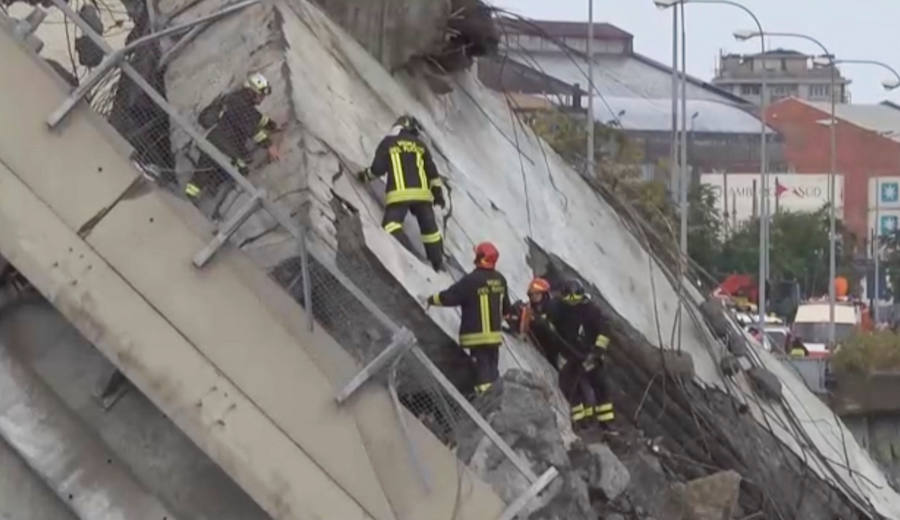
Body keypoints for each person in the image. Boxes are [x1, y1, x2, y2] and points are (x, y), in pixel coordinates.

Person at [359, 115, 445, 271]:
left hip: (400, 195)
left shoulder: (388, 143)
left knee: (391, 226)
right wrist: (438, 196)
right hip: (422, 196)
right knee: (430, 231)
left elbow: (377, 169)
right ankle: (438, 263)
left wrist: (364, 176)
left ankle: (408, 254)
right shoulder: (420, 145)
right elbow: (432, 173)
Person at [426, 242, 510, 395]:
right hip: (494, 336)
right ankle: (497, 398)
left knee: (481, 374)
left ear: (480, 258)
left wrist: (431, 299)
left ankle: (485, 401)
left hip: (476, 336)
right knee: (492, 370)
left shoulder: (472, 280)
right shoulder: (500, 280)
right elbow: (506, 308)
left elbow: (450, 297)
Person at [185, 72, 280, 200]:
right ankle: (193, 197)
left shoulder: (239, 101)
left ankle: (190, 196)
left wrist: (272, 125)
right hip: (223, 144)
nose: (262, 98)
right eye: (261, 95)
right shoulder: (240, 104)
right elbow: (251, 128)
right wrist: (270, 145)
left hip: (215, 140)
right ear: (252, 92)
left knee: (202, 173)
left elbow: (256, 118)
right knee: (240, 168)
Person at [550, 279, 615, 430]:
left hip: (591, 356)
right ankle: (580, 423)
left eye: (575, 297)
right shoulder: (560, 308)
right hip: (572, 355)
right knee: (571, 387)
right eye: (569, 297)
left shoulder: (591, 311)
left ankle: (606, 423)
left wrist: (597, 352)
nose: (572, 301)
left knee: (601, 387)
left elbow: (604, 332)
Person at [506, 277, 561, 368]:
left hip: (548, 348)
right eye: (531, 294)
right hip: (530, 340)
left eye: (537, 294)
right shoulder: (528, 307)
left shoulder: (552, 308)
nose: (534, 297)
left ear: (544, 294)